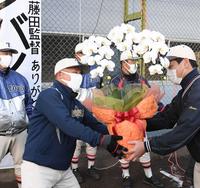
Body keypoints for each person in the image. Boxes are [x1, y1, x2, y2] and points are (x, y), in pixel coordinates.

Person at [21, 58, 126, 188]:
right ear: (59, 74)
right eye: (74, 72)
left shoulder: (76, 103)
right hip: (38, 169)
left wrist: (120, 133)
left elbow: (94, 125)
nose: (79, 76)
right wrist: (101, 140)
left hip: (64, 169)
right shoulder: (49, 95)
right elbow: (66, 123)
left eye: (80, 73)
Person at [126, 45, 200, 188]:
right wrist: (139, 123)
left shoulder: (197, 90)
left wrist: (147, 145)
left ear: (185, 62)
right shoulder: (187, 89)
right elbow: (167, 118)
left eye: (171, 66)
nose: (168, 72)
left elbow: (185, 129)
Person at [110, 50, 164, 188]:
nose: (134, 64)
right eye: (130, 61)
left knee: (144, 149)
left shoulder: (142, 79)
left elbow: (151, 97)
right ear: (122, 63)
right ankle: (126, 176)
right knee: (124, 150)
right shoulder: (115, 81)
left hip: (139, 122)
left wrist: (161, 107)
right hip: (123, 122)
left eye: (135, 61)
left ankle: (149, 176)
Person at [0, 41, 32, 188]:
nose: (7, 56)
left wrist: (30, 125)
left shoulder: (20, 79)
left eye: (9, 53)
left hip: (20, 132)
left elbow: (28, 105)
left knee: (23, 166)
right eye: (3, 53)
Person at [71, 43, 102, 183]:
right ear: (75, 55)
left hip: (93, 110)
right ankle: (74, 169)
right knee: (76, 142)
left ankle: (91, 167)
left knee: (92, 140)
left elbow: (99, 88)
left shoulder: (96, 68)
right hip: (76, 110)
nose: (84, 55)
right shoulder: (72, 69)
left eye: (86, 52)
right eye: (81, 52)